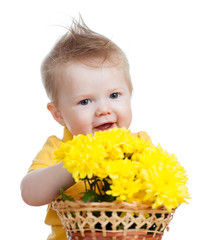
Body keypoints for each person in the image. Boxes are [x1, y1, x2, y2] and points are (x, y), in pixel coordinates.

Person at [20, 17, 151, 240]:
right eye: (85, 102)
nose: (103, 109)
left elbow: (159, 193)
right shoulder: (60, 148)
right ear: (58, 114)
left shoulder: (139, 144)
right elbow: (29, 193)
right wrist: (74, 167)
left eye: (114, 95)